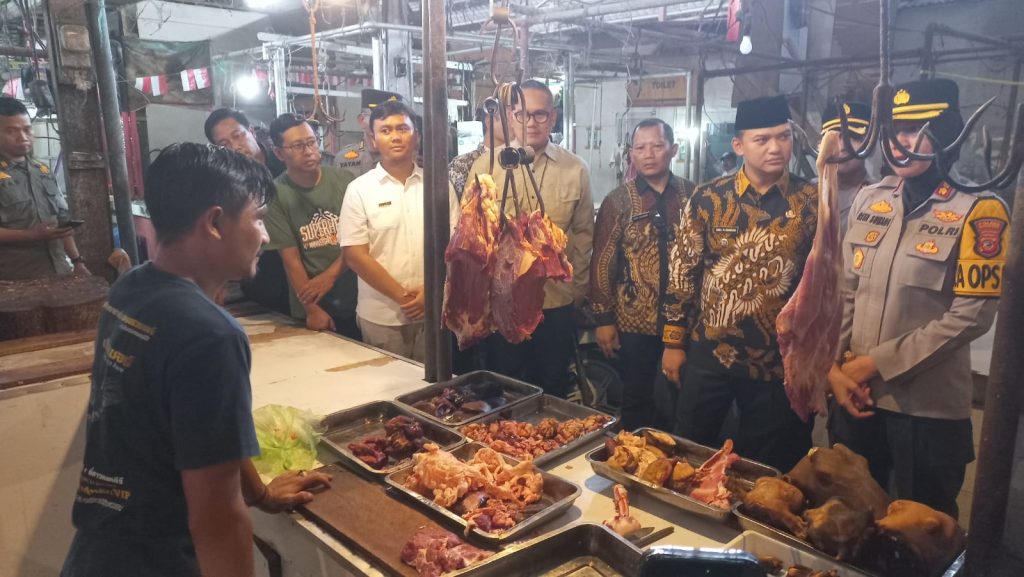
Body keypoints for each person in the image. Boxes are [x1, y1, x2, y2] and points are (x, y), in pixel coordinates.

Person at [60, 143, 330, 577]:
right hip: (158, 562)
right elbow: (217, 519)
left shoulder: (132, 287)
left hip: (97, 550)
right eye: (258, 219)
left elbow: (208, 437)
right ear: (215, 223)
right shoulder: (209, 336)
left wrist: (260, 495)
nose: (264, 236)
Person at [827, 78, 1008, 517]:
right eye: (893, 132)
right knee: (845, 523)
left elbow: (971, 317)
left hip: (926, 412)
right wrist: (833, 368)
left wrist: (875, 363)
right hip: (856, 398)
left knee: (918, 533)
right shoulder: (872, 200)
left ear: (947, 134)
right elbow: (846, 293)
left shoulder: (979, 211)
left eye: (914, 130)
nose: (899, 143)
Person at [660, 95, 818, 472]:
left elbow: (820, 283)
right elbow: (683, 270)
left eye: (783, 137)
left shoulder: (811, 201)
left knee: (766, 464)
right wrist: (672, 342)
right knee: (689, 451)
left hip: (776, 361)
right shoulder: (708, 197)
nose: (775, 148)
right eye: (762, 139)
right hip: (709, 353)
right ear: (739, 145)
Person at [465, 79, 594, 398]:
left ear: (553, 117)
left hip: (555, 302)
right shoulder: (486, 166)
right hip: (502, 301)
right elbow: (471, 235)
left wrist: (576, 291)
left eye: (540, 114)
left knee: (552, 385)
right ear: (511, 117)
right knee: (504, 385)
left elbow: (583, 236)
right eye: (523, 114)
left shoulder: (575, 169)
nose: (531, 122)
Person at [590, 118, 695, 430]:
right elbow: (602, 261)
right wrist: (603, 319)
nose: (648, 154)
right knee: (637, 396)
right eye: (640, 148)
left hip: (687, 320)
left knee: (685, 398)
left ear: (673, 149)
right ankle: (633, 452)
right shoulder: (618, 201)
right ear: (631, 154)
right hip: (633, 320)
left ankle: (678, 453)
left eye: (657, 146)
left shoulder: (694, 196)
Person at [339, 100, 426, 361]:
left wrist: (430, 292)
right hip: (381, 316)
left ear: (416, 136)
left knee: (436, 383)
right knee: (387, 383)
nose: (395, 137)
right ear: (373, 140)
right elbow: (355, 255)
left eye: (403, 129)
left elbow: (452, 244)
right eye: (385, 131)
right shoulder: (359, 190)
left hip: (431, 310)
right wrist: (403, 297)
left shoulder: (437, 185)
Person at [263, 113, 360, 338]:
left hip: (355, 296)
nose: (308, 151)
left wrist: (330, 276)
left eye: (311, 142)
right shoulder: (275, 194)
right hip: (313, 301)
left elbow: (359, 241)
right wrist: (311, 309)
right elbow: (291, 259)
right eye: (297, 146)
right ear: (278, 153)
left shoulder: (345, 180)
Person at [205, 107, 289, 314]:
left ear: (250, 130)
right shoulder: (225, 182)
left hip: (305, 270)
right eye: (224, 144)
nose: (236, 147)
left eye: (238, 135)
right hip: (262, 281)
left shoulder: (285, 162)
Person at [0, 96, 89, 280]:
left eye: (27, 129)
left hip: (58, 271)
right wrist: (29, 235)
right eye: (11, 131)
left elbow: (61, 223)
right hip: (14, 279)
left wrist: (77, 262)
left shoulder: (42, 171)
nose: (23, 137)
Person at [819, 99, 874, 239]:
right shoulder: (806, 194)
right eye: (833, 139)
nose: (842, 147)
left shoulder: (882, 197)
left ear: (870, 144)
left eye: (853, 137)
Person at [335, 89, 403, 177]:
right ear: (361, 120)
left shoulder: (404, 157)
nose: (385, 123)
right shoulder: (343, 158)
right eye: (378, 117)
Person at [449, 105, 506, 200]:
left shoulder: (518, 163)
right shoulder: (462, 164)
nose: (513, 122)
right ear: (489, 121)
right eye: (507, 117)